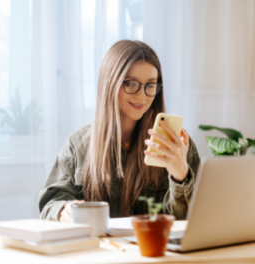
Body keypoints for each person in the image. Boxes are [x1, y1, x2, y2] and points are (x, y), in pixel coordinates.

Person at [39, 40, 200, 222]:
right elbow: (50, 203)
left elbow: (192, 219)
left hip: (157, 249)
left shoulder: (176, 144)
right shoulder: (78, 144)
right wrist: (63, 209)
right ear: (111, 83)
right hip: (101, 249)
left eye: (150, 85)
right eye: (131, 84)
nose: (142, 96)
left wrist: (181, 177)